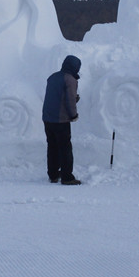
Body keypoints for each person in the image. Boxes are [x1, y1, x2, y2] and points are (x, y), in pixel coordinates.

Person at [42, 55, 82, 185]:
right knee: (65, 148)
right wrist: (74, 115)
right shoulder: (70, 80)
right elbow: (70, 100)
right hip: (61, 120)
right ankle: (67, 177)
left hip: (47, 118)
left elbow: (56, 96)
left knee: (52, 146)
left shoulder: (53, 77)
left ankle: (53, 174)